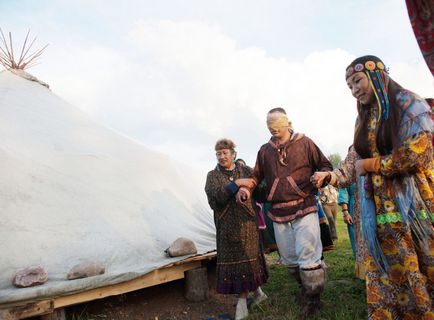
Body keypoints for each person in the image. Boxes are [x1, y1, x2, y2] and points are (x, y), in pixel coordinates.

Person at [312, 55, 433, 319]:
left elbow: (418, 154)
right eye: (349, 86)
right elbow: (354, 162)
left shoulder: (408, 104)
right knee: (385, 273)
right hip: (376, 215)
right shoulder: (364, 119)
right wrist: (331, 176)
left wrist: (371, 166)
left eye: (357, 81)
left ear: (377, 74)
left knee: (418, 267)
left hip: (411, 207)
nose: (354, 89)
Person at [236, 108, 333, 318]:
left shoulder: (305, 142)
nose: (273, 128)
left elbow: (325, 164)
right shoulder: (264, 150)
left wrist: (323, 175)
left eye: (277, 124)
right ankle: (306, 289)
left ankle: (314, 300)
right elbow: (255, 177)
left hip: (304, 205)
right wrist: (246, 189)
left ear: (288, 122)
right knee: (290, 259)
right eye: (269, 125)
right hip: (278, 211)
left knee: (308, 255)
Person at [204, 139, 268, 320]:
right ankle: (252, 296)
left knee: (248, 260)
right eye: (218, 153)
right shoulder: (212, 176)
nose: (222, 156)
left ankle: (244, 301)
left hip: (248, 224)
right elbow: (215, 200)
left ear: (233, 154)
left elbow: (261, 192)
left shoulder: (246, 170)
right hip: (226, 228)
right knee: (237, 263)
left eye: (225, 153)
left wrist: (259, 183)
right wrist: (237, 183)